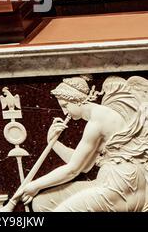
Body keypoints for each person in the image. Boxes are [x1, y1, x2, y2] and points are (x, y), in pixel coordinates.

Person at [17, 75, 148, 212]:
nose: (64, 112)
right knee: (41, 203)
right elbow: (85, 166)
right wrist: (54, 143)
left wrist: (35, 186)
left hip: (122, 187)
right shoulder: (99, 116)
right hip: (113, 181)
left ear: (76, 99)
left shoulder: (97, 120)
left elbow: (73, 170)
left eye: (65, 105)